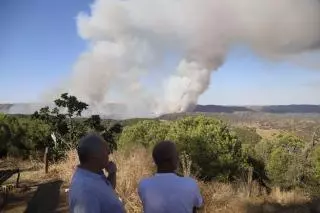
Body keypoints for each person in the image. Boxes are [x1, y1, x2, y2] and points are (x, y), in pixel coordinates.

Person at [138, 140, 203, 213]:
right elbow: (199, 204)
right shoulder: (190, 184)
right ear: (175, 160)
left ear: (155, 160)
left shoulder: (143, 185)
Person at [69, 133, 125, 213]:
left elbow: (106, 190)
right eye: (106, 150)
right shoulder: (85, 192)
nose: (109, 153)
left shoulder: (94, 173)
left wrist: (112, 173)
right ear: (95, 155)